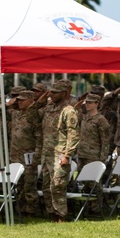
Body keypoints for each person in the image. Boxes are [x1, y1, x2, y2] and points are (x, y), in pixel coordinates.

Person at [40, 80, 79, 222]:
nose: (52, 95)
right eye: (51, 92)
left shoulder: (69, 111)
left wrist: (67, 155)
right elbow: (32, 116)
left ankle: (61, 215)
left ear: (64, 93)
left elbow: (73, 135)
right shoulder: (49, 108)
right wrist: (40, 101)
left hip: (60, 154)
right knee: (46, 186)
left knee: (58, 185)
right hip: (47, 154)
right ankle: (51, 214)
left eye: (56, 92)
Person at [75, 93, 111, 214]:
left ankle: (96, 207)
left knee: (94, 183)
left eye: (90, 102)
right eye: (86, 102)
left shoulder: (101, 120)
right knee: (84, 182)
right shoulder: (84, 117)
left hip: (94, 156)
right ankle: (86, 207)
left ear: (97, 104)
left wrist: (102, 158)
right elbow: (74, 109)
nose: (87, 104)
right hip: (82, 155)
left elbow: (105, 141)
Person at [8, 90, 42, 216]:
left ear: (31, 101)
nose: (20, 102)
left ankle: (31, 211)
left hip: (28, 156)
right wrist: (7, 104)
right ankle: (20, 209)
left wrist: (36, 157)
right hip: (15, 155)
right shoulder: (16, 114)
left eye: (22, 100)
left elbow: (39, 138)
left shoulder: (34, 116)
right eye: (18, 100)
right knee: (19, 184)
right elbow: (0, 114)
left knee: (29, 185)